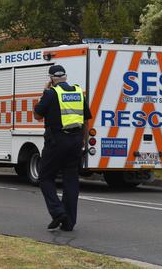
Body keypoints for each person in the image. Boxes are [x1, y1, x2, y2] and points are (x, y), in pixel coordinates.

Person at [33, 65, 91, 232]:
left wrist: (43, 93)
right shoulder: (78, 92)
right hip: (76, 141)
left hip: (57, 141)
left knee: (45, 177)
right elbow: (86, 120)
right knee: (71, 180)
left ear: (52, 79)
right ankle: (68, 223)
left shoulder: (51, 93)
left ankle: (58, 212)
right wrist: (84, 142)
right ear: (65, 77)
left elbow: (37, 115)